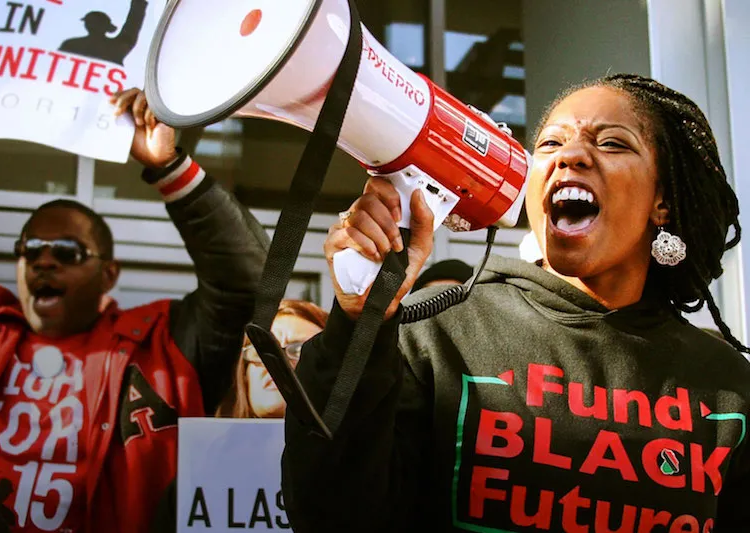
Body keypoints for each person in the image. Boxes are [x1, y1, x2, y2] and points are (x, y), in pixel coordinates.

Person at [282, 74, 750, 532]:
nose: (569, 156)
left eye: (611, 143)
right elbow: (330, 513)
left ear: (662, 200)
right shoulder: (436, 334)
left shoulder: (726, 385)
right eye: (550, 144)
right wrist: (359, 323)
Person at [0, 88, 269, 533]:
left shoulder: (163, 345)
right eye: (31, 248)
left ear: (109, 274)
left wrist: (169, 167)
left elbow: (248, 282)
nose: (44, 261)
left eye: (67, 251)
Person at [216, 300, 328, 419]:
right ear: (245, 376)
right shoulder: (207, 431)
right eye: (262, 351)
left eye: (299, 351)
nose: (279, 362)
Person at [59, 0, 148, 65]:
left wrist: (138, 5)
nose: (90, 25)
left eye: (92, 22)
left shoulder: (71, 44)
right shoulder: (116, 47)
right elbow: (132, 25)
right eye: (89, 22)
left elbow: (132, 24)